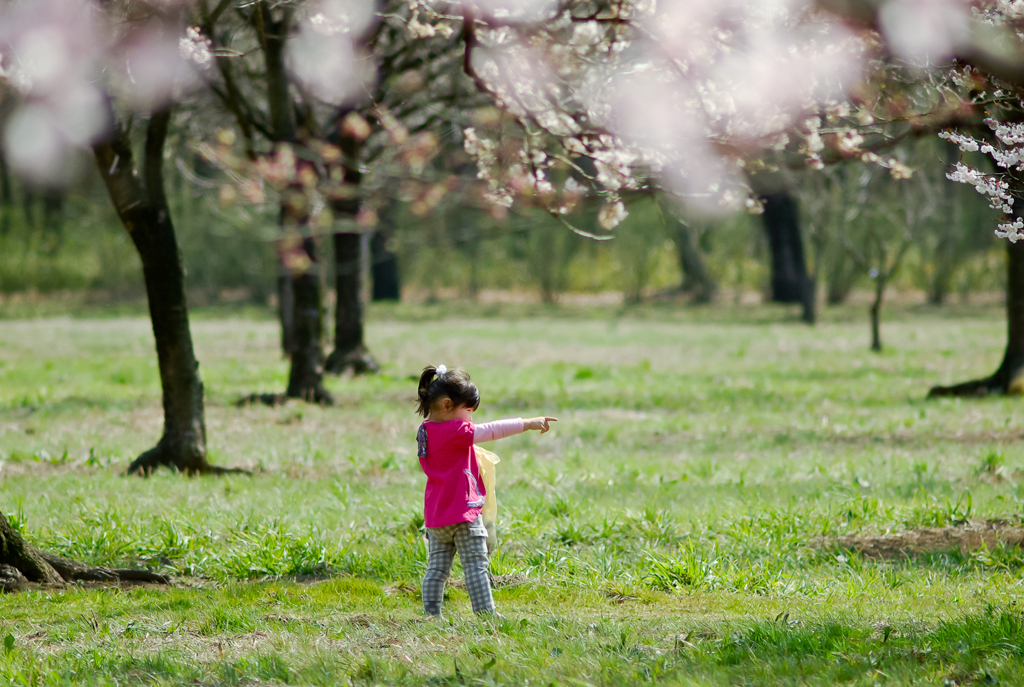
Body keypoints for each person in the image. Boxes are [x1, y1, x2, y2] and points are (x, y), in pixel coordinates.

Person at [415, 364, 556, 617]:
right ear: (447, 405)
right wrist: (527, 423)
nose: (470, 418)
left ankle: (431, 614)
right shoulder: (456, 431)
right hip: (463, 513)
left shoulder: (425, 431)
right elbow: (492, 430)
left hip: (436, 516)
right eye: (467, 410)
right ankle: (485, 614)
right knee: (476, 565)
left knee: (436, 569)